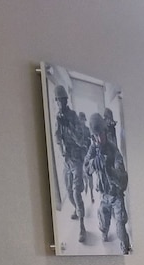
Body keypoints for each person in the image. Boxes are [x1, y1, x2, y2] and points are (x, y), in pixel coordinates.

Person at [87, 112, 130, 254]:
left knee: (120, 227)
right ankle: (104, 232)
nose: (99, 139)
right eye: (96, 136)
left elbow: (123, 180)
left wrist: (109, 170)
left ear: (105, 132)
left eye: (101, 134)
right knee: (103, 223)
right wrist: (94, 163)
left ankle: (126, 248)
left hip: (116, 195)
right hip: (104, 195)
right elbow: (86, 168)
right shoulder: (93, 149)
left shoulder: (114, 150)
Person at [52, 84, 90, 243]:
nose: (60, 103)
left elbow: (80, 140)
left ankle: (82, 226)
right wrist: (61, 146)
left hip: (77, 161)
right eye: (57, 101)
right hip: (67, 161)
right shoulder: (58, 117)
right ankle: (77, 209)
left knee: (76, 192)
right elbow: (57, 137)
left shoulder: (73, 116)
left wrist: (67, 125)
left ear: (65, 100)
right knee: (68, 190)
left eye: (62, 100)